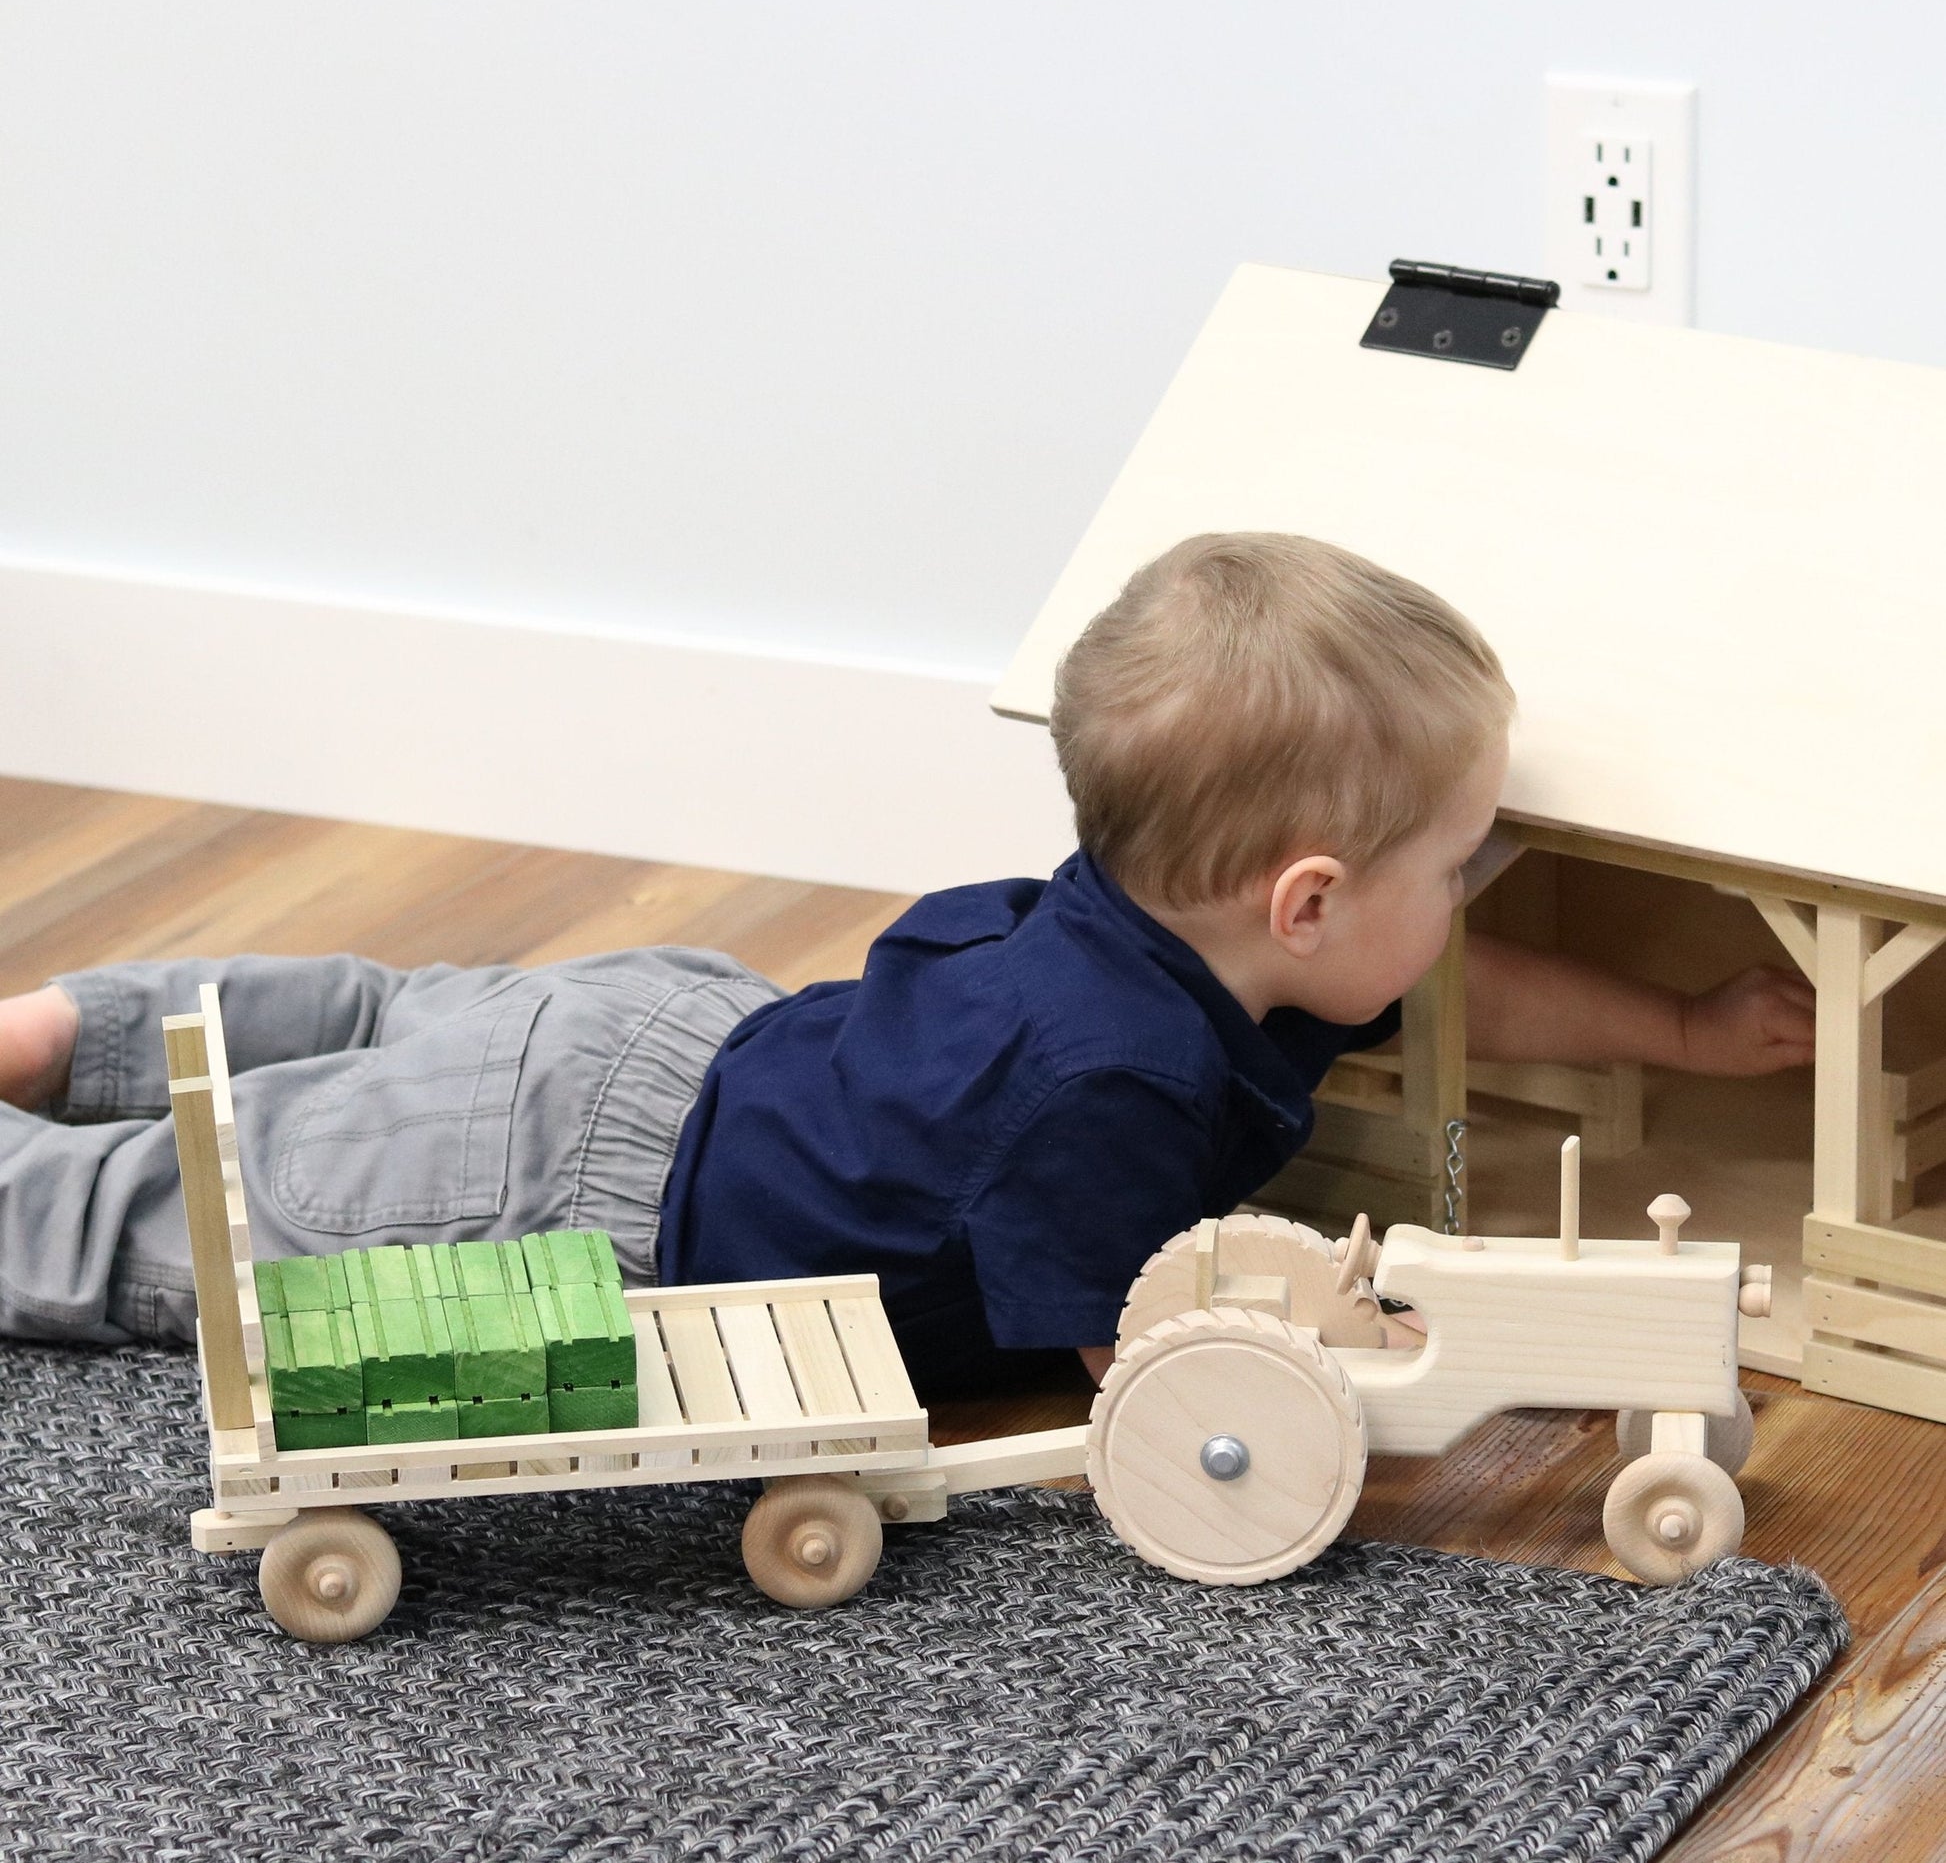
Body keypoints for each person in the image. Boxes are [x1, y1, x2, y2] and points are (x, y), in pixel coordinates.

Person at [0, 534, 1814, 1399]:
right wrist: (1366, 1361)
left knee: (374, 1017)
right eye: (1457, 864)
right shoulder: (1116, 1088)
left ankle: (50, 1026)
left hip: (669, 1023)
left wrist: (1678, 1025)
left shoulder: (1180, 939)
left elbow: (1451, 984)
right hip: (601, 1196)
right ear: (1309, 904)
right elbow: (1150, 1375)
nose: (1475, 896)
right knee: (201, 1221)